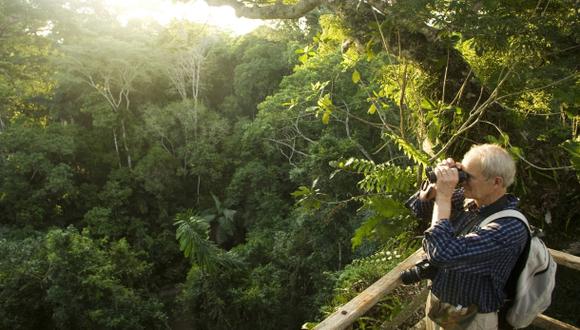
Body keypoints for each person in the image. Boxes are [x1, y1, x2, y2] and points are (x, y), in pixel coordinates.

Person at [406, 144, 529, 330]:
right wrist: (435, 187)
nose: (462, 181)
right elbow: (419, 209)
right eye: (462, 172)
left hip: (471, 320)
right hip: (442, 306)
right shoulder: (470, 200)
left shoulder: (509, 228)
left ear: (496, 182)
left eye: (468, 177)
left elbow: (441, 253)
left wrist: (444, 197)